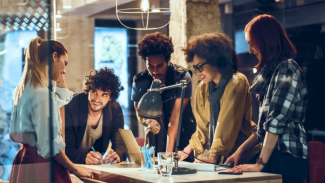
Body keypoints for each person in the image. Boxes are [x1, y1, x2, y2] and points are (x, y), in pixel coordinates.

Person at [226, 14, 309, 183]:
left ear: (265, 40)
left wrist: (259, 163)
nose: (250, 50)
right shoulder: (273, 70)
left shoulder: (287, 68)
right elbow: (263, 129)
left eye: (251, 43)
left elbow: (275, 122)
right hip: (275, 156)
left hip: (287, 157)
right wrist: (240, 152)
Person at [9, 37, 93, 183]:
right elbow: (51, 147)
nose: (65, 70)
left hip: (25, 160)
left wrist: (58, 75)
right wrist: (76, 169)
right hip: (43, 164)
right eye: (64, 63)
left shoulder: (24, 89)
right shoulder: (42, 95)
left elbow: (64, 98)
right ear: (54, 56)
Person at [178, 33, 261, 165]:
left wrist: (213, 157)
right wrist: (186, 150)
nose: (198, 72)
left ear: (215, 61)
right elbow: (202, 128)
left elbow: (226, 123)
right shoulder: (202, 88)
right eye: (195, 68)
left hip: (246, 156)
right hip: (224, 159)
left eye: (200, 67)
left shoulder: (236, 82)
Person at [131, 32, 196, 158]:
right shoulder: (139, 81)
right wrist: (148, 122)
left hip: (181, 139)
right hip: (154, 139)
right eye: (150, 66)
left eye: (160, 65)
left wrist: (167, 157)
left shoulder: (182, 78)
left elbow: (174, 120)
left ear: (168, 60)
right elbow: (139, 114)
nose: (155, 71)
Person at [65, 68, 125, 165]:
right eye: (94, 91)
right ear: (88, 90)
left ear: (111, 97)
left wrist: (118, 155)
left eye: (104, 94)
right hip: (69, 165)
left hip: (95, 165)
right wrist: (84, 158)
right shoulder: (71, 106)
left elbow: (120, 144)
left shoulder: (115, 109)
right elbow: (65, 148)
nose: (97, 99)